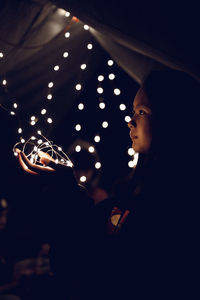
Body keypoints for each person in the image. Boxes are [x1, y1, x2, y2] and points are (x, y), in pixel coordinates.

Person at [15, 69, 199, 299]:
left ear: (172, 119)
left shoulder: (176, 203)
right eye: (133, 111)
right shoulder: (134, 192)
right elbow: (94, 241)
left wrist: (67, 190)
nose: (130, 121)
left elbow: (101, 265)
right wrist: (66, 187)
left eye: (142, 112)